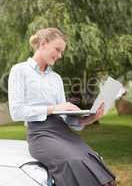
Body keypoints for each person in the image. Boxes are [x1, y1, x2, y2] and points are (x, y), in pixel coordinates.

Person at [8, 28, 117, 186]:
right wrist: (53, 108)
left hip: (63, 132)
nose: (60, 55)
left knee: (92, 158)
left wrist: (91, 118)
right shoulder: (20, 70)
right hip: (40, 135)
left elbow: (65, 117)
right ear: (43, 44)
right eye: (57, 50)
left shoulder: (56, 78)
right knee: (74, 162)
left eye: (62, 52)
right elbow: (16, 112)